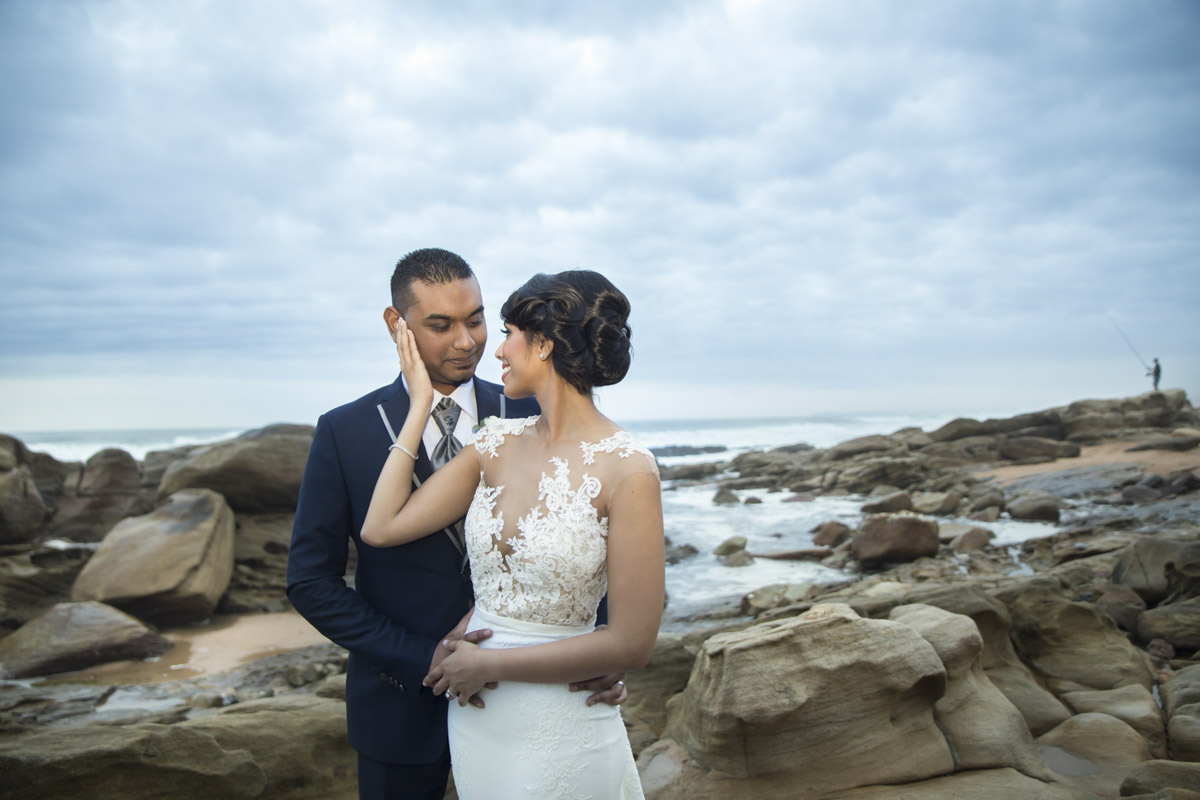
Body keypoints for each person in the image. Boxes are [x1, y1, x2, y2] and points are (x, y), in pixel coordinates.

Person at [286, 249, 626, 800]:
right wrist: (422, 658)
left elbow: (588, 542)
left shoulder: (533, 411)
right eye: (441, 326)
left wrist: (600, 649)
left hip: (534, 700)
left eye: (476, 319)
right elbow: (310, 582)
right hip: (397, 709)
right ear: (397, 326)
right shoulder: (342, 432)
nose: (467, 341)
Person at [360, 270, 664, 799]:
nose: (493, 350)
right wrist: (418, 407)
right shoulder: (494, 443)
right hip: (480, 717)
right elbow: (381, 528)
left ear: (543, 343)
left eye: (506, 332)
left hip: (560, 717)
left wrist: (489, 664)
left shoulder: (628, 468)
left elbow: (632, 643)